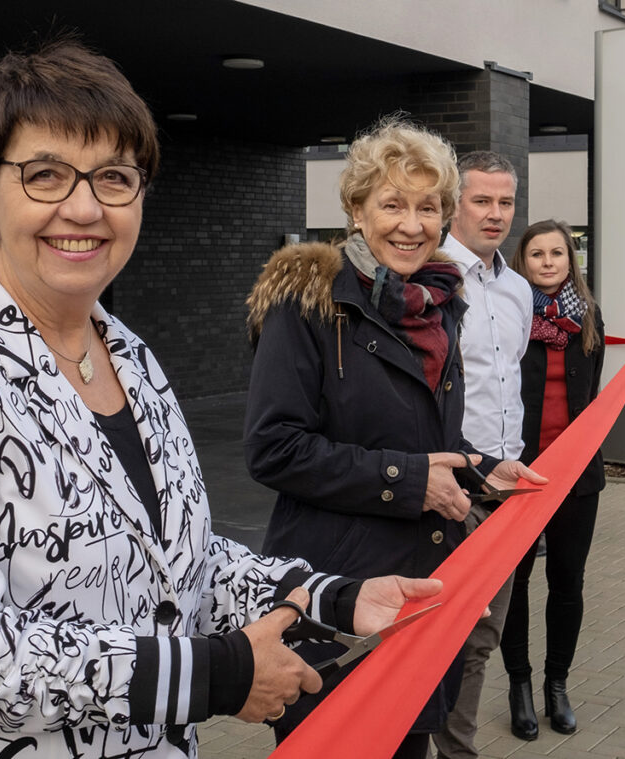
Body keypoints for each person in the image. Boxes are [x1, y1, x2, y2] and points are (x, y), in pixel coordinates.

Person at [0, 40, 446, 759]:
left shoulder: (129, 353)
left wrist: (334, 597)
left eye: (113, 177)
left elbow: (180, 565)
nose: (83, 207)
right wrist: (215, 673)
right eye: (45, 175)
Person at [243, 117, 546, 759]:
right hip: (336, 594)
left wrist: (478, 468)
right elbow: (274, 448)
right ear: (357, 211)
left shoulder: (441, 306)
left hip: (421, 590)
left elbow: (425, 437)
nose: (412, 225)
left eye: (428, 207)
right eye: (392, 204)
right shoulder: (309, 305)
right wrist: (409, 482)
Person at [434, 152, 533, 758]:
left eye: (506, 202)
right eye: (482, 201)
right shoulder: (431, 279)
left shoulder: (519, 289)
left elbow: (508, 380)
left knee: (481, 638)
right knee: (440, 633)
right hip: (450, 487)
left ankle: (455, 750)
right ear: (456, 205)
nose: (495, 214)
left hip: (508, 493)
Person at [499, 218, 605, 739]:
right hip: (519, 472)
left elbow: (593, 393)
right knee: (514, 583)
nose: (547, 262)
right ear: (523, 260)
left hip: (577, 477)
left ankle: (556, 685)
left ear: (570, 260)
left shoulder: (589, 317)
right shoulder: (509, 315)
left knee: (567, 582)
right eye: (536, 253)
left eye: (557, 253)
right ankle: (518, 685)